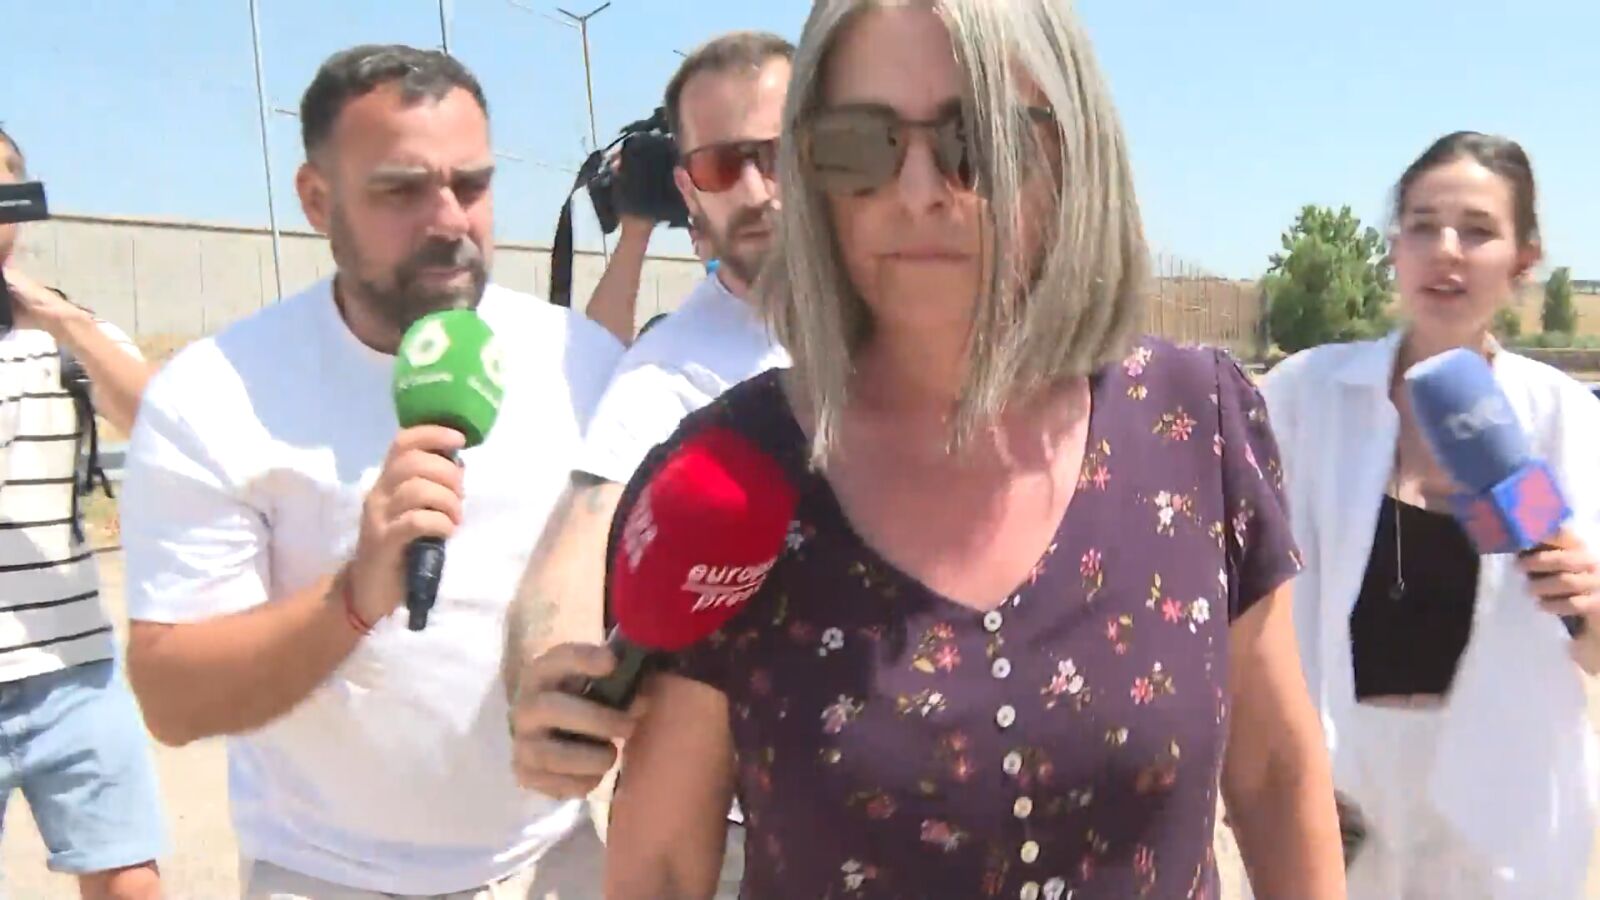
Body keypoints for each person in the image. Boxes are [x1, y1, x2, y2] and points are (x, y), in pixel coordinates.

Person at [524, 2, 1346, 897]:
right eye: (860, 145)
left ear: (1074, 154)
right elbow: (662, 867)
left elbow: (1275, 774)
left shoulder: (1193, 422)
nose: (918, 191)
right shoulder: (733, 474)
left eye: (978, 140)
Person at [118, 45, 622, 898]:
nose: (450, 219)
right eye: (401, 190)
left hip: (554, 863)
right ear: (317, 201)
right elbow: (173, 700)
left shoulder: (583, 361)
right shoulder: (215, 396)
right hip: (326, 875)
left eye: (472, 184)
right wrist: (353, 595)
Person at [1260, 131, 1600, 898]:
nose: (1446, 250)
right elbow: (1246, 603)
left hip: (1499, 821)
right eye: (1423, 226)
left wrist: (1589, 601)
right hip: (1337, 811)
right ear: (1395, 248)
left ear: (1523, 261)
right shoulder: (1305, 399)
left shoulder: (1566, 423)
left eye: (1477, 231)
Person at [503, 31, 793, 899]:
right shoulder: (673, 373)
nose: (757, 190)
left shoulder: (909, 303)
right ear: (687, 192)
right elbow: (585, 526)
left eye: (778, 155)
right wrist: (551, 681)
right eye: (721, 166)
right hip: (757, 836)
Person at [0, 126, 165, 900]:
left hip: (73, 671)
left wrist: (61, 321)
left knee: (132, 881)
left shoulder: (69, 332)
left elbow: (165, 425)